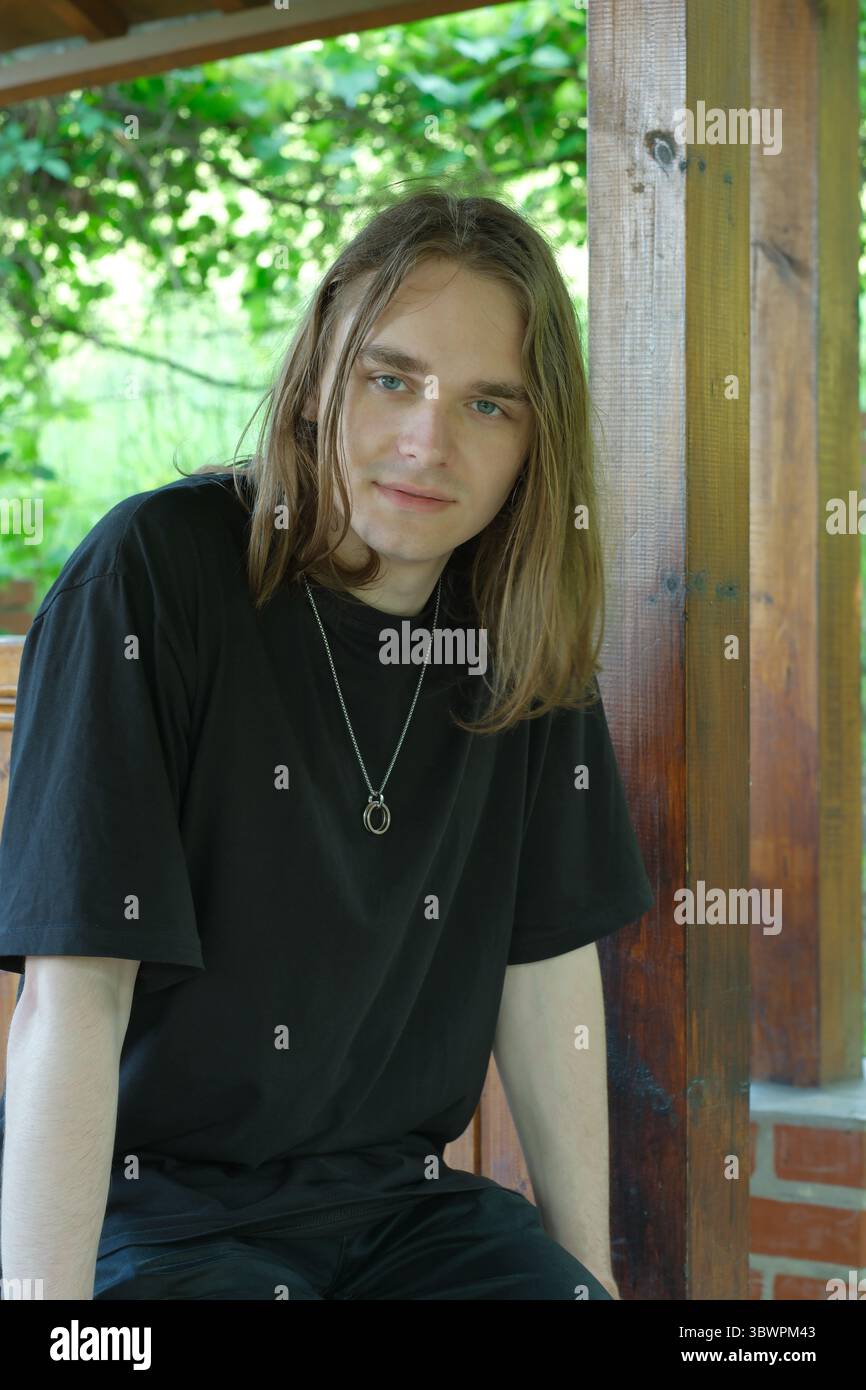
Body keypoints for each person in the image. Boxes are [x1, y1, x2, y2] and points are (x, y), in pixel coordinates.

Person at [0, 186, 654, 1301]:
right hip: (157, 1215)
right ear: (315, 380)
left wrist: (588, 1275)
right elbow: (76, 993)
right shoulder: (156, 576)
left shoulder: (520, 633)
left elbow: (544, 976)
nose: (426, 441)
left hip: (406, 1213)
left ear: (534, 442)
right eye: (389, 377)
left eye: (488, 405)